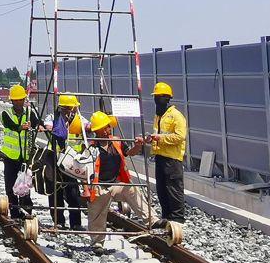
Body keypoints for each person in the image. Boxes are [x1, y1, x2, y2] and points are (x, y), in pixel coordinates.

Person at [83, 110, 149, 253]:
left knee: (132, 189)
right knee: (97, 214)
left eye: (108, 126)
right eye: (106, 126)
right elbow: (84, 170)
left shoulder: (116, 141)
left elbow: (129, 152)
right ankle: (97, 243)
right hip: (98, 186)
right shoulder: (91, 147)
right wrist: (86, 189)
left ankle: (152, 221)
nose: (109, 129)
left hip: (115, 184)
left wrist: (138, 146)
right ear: (98, 130)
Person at [139, 81, 188, 228]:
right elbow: (158, 134)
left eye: (158, 97)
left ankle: (178, 219)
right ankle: (167, 217)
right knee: (162, 189)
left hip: (172, 159)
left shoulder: (176, 116)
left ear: (167, 98)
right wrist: (150, 139)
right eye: (155, 97)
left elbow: (180, 137)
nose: (156, 100)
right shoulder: (159, 116)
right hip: (160, 156)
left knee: (173, 189)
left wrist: (160, 138)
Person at [0, 83, 40, 219]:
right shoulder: (6, 114)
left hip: (25, 157)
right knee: (11, 186)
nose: (18, 102)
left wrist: (41, 126)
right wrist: (21, 127)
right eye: (16, 100)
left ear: (24, 100)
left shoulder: (29, 113)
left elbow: (36, 123)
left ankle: (26, 208)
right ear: (12, 101)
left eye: (21, 100)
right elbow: (11, 125)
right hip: (11, 157)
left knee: (25, 185)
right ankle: (15, 213)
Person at [47, 94, 85, 231]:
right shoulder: (53, 118)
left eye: (73, 109)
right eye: (68, 109)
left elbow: (88, 126)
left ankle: (76, 223)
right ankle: (58, 221)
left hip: (72, 162)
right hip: (55, 159)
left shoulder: (80, 120)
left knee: (73, 192)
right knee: (55, 192)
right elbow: (48, 125)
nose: (71, 112)